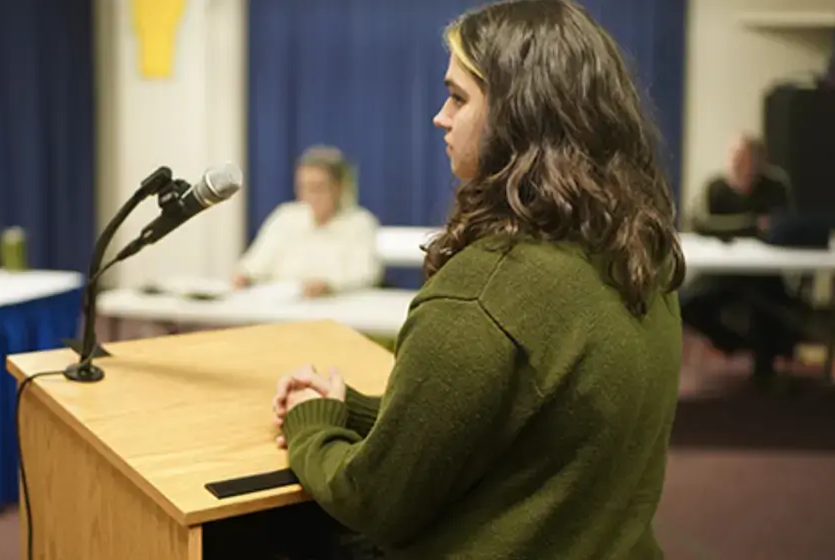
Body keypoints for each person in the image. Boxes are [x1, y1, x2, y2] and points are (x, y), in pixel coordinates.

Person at [270, 1, 686, 558]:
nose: (440, 116)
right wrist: (350, 408)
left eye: (459, 97)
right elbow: (533, 430)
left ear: (522, 117)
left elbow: (371, 500)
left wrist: (310, 424)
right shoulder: (640, 255)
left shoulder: (483, 295)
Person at [682, 134, 804, 378]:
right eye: (735, 159)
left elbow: (782, 227)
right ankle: (734, 344)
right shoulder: (716, 187)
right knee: (684, 304)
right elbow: (700, 224)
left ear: (759, 162)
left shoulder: (775, 187)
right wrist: (750, 224)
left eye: (745, 159)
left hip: (764, 273)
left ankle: (764, 368)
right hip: (722, 271)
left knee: (772, 308)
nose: (738, 165)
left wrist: (731, 228)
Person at [233, 145, 382, 298]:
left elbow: (365, 274)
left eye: (318, 187)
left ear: (338, 187)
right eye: (304, 187)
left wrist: (329, 286)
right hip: (281, 306)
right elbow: (254, 263)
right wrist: (244, 276)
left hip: (334, 309)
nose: (311, 196)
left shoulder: (360, 223)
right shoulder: (285, 217)